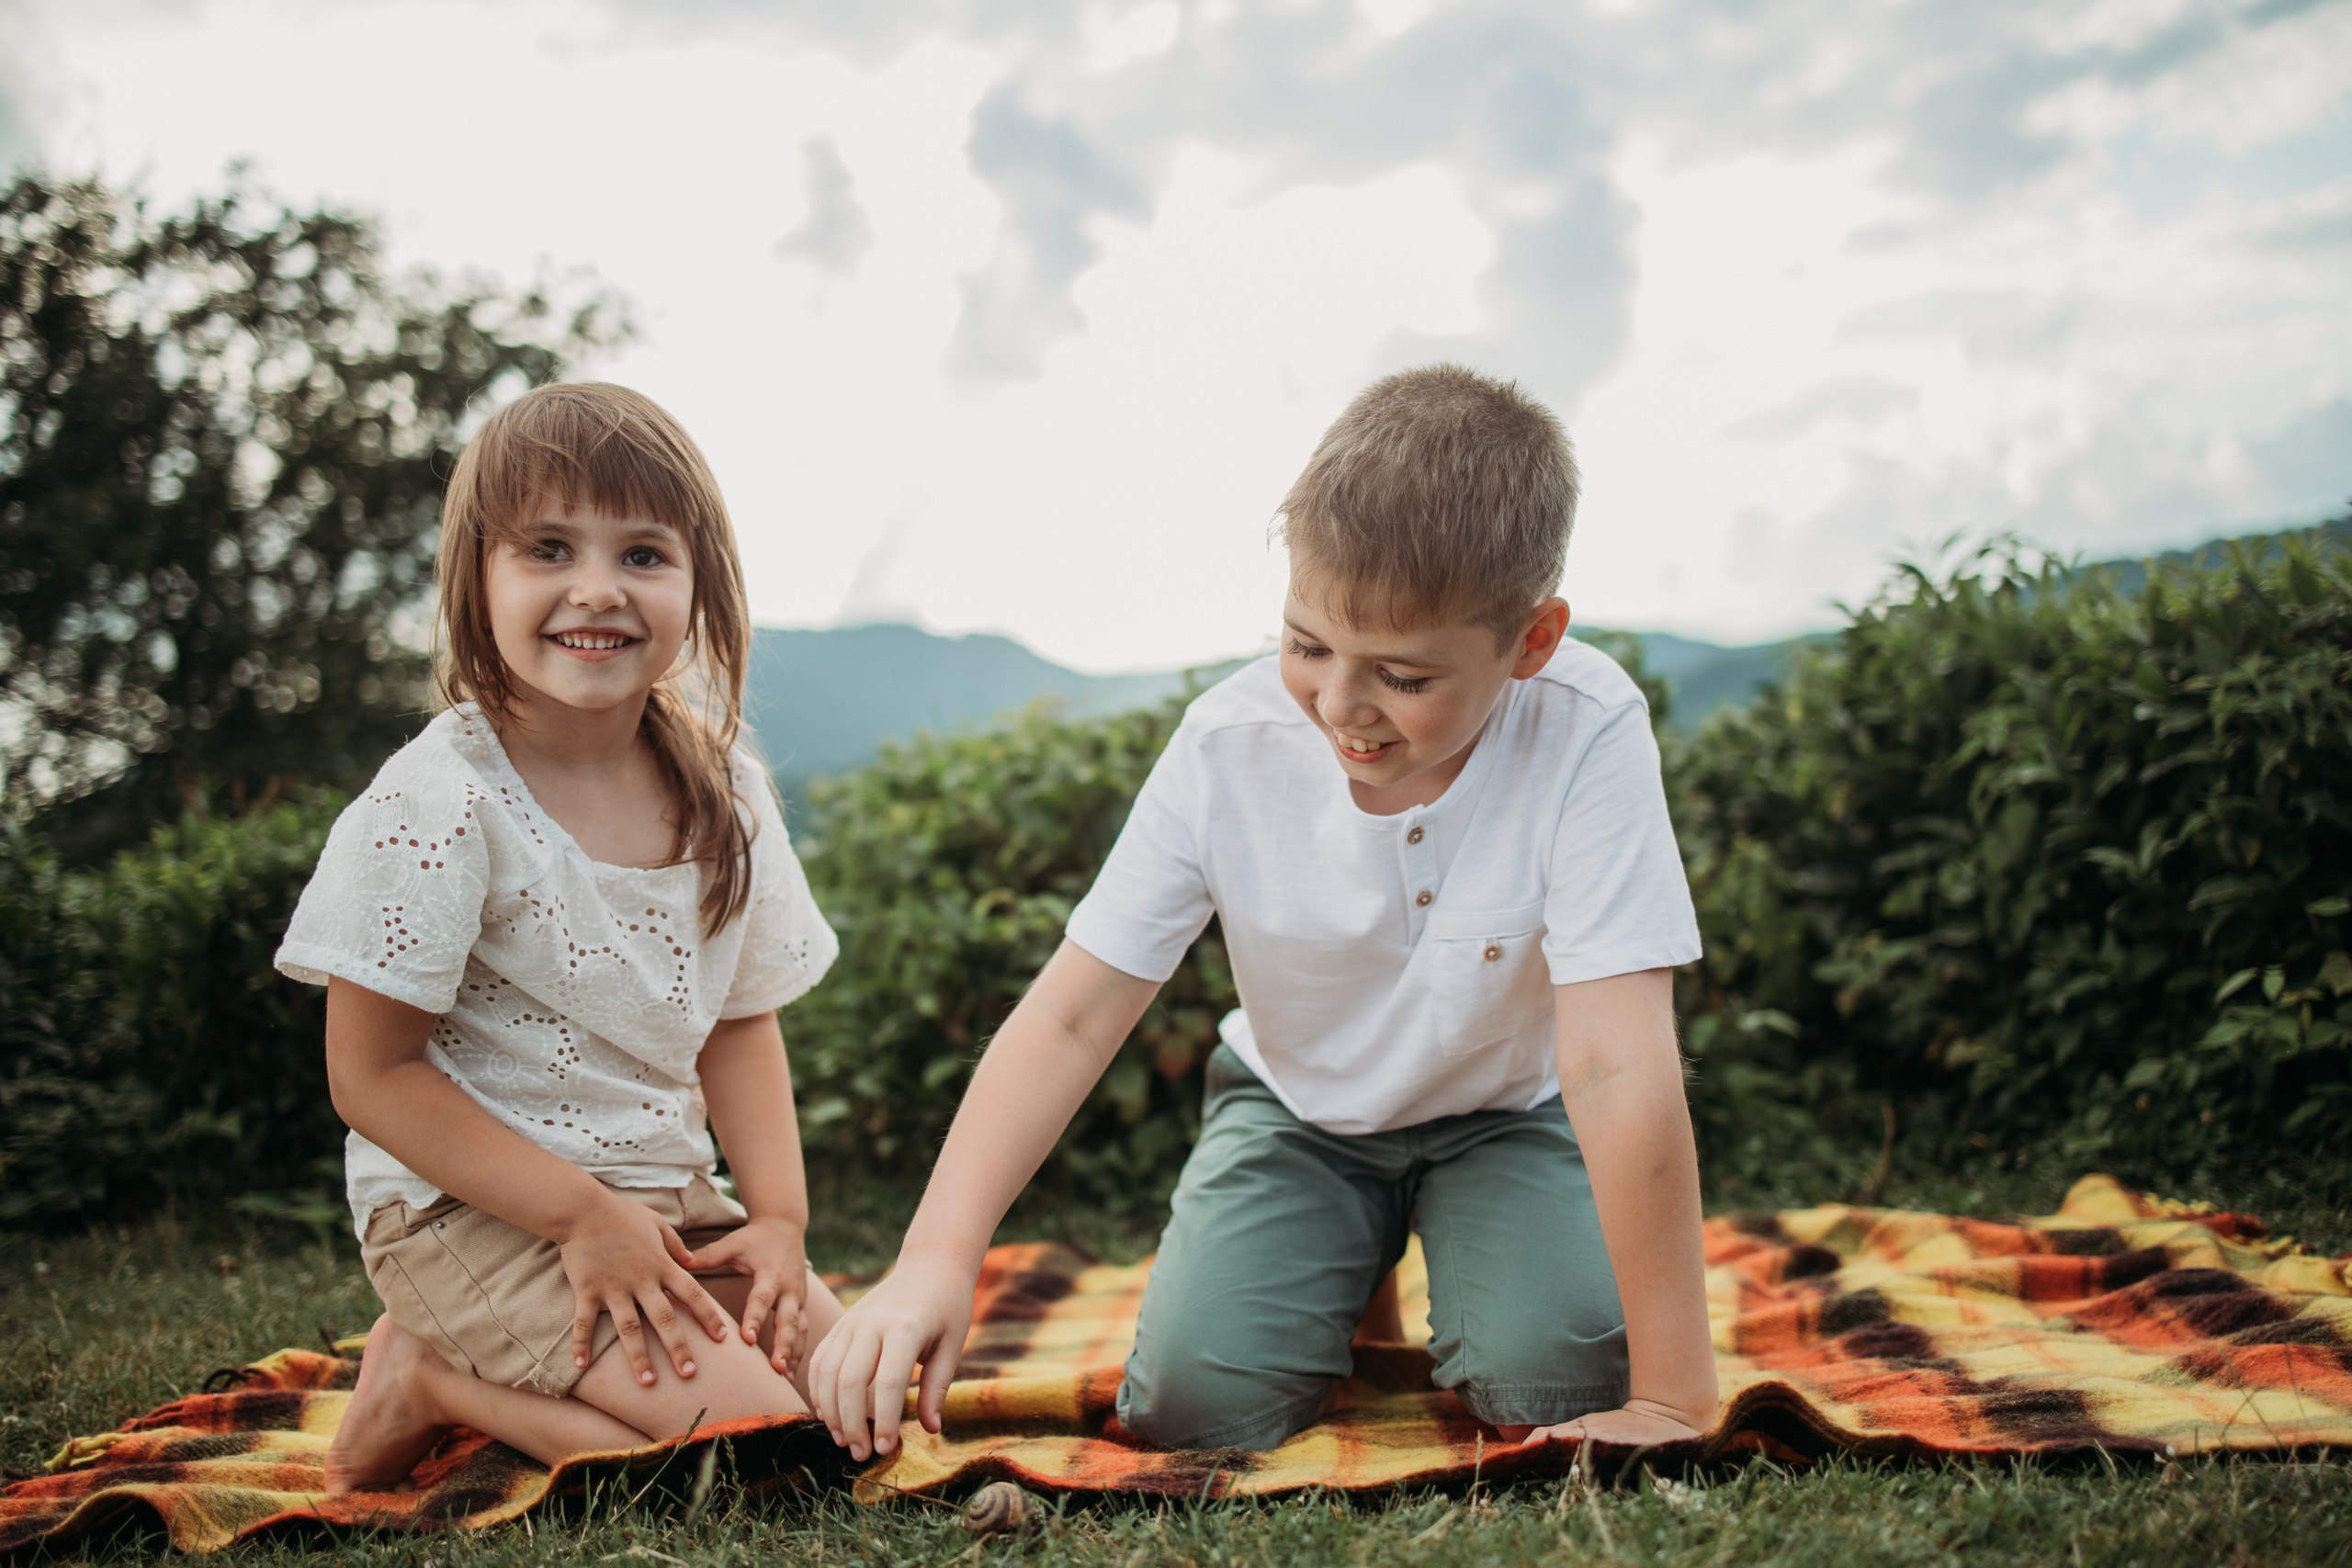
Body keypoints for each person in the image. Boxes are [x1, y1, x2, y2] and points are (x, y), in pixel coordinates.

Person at [806, 364, 1716, 1459]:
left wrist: (1672, 1397)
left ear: (1531, 642)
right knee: (1193, 1415)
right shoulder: (1223, 745)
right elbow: (1071, 1017)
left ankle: (1438, 1253)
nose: (1341, 706)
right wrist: (933, 1262)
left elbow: (1618, 1060)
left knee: (1550, 1387)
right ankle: (1346, 1255)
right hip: (1299, 1112)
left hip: (1505, 1115)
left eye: (1404, 677)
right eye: (1307, 645)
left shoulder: (1584, 728)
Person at [276, 382, 844, 1493]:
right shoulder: (440, 801)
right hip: (472, 1213)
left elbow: (738, 1021)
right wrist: (583, 1218)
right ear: (475, 578)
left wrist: (777, 1221)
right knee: (763, 1477)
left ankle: (505, 1375)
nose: (599, 589)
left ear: (699, 585)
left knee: (853, 1420)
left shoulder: (725, 790)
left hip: (663, 1200)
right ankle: (426, 1380)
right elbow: (372, 1076)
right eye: (547, 548)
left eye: (643, 554)